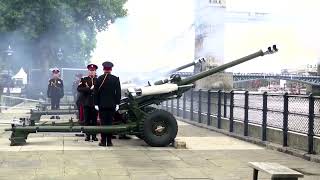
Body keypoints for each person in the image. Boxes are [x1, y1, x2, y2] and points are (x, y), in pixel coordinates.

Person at [94, 61, 121, 146]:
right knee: (110, 123)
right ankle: (109, 141)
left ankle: (103, 141)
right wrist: (117, 103)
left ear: (103, 69)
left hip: (102, 105)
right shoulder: (115, 79)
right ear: (111, 69)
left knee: (103, 123)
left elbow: (95, 93)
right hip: (112, 105)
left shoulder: (99, 79)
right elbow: (118, 93)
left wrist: (96, 104)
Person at [77, 64, 99, 141]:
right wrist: (88, 90)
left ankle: (94, 136)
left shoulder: (98, 80)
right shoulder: (84, 79)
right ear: (88, 71)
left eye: (93, 71)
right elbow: (79, 89)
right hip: (86, 103)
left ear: (95, 71)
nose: (91, 72)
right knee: (87, 121)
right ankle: (87, 135)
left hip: (95, 104)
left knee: (94, 121)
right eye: (90, 70)